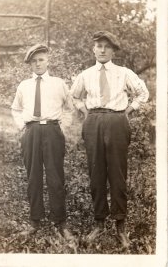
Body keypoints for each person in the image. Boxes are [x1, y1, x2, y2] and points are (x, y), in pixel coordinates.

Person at [71, 31, 149, 247]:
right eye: (99, 46)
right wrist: (84, 111)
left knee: (117, 173)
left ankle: (120, 226)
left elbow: (143, 94)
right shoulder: (85, 75)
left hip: (117, 121)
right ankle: (99, 223)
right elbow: (74, 96)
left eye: (107, 46)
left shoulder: (124, 73)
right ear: (93, 49)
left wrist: (129, 110)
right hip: (93, 121)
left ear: (113, 50)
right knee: (96, 173)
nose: (102, 50)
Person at [11, 44, 73, 236]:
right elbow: (16, 109)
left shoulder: (58, 83)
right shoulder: (24, 85)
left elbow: (69, 108)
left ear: (48, 60)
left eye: (41, 59)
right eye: (34, 61)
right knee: (33, 177)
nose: (37, 64)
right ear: (30, 63)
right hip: (31, 131)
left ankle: (60, 222)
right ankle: (34, 221)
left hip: (53, 131)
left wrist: (61, 128)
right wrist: (23, 126)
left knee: (55, 177)